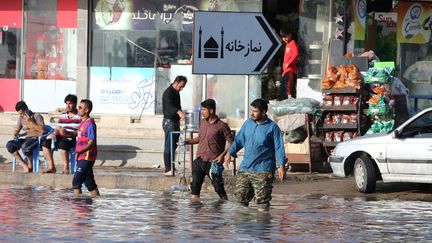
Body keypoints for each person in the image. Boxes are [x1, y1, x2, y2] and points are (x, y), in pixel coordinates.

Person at [225, 98, 287, 212]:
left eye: (255, 111)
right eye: (251, 110)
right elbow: (239, 140)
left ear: (263, 112)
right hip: (245, 168)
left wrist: (281, 166)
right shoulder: (248, 123)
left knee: (262, 203)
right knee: (240, 201)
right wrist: (230, 152)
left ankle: (263, 228)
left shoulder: (272, 128)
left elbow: (279, 148)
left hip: (263, 170)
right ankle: (244, 228)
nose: (252, 113)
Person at [185, 99, 233, 201]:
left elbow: (231, 142)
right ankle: (195, 212)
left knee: (218, 188)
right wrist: (188, 141)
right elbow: (200, 138)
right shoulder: (202, 123)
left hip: (213, 162)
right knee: (195, 187)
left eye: (203, 110)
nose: (201, 112)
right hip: (199, 159)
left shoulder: (222, 126)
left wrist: (223, 155)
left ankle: (224, 207)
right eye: (201, 109)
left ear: (211, 111)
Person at [42, 94, 81, 174]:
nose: (68, 106)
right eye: (66, 103)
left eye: (70, 103)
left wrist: (68, 133)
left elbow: (80, 132)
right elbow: (58, 128)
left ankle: (66, 167)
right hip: (60, 136)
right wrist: (54, 134)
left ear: (75, 104)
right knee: (45, 143)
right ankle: (51, 167)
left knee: (63, 143)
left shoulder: (79, 116)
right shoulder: (63, 115)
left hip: (71, 138)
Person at [6, 101, 46, 172]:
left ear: (26, 109)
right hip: (27, 138)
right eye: (19, 114)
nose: (21, 115)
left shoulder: (37, 116)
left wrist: (31, 122)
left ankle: (30, 165)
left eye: (21, 113)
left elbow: (42, 130)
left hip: (36, 138)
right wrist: (16, 133)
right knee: (10, 145)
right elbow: (17, 129)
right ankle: (24, 165)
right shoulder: (21, 118)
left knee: (25, 146)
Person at [72, 99, 100, 196]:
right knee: (90, 184)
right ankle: (95, 203)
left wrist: (81, 151)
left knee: (76, 182)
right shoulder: (82, 123)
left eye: (80, 107)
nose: (78, 109)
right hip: (81, 156)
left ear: (86, 110)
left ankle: (77, 207)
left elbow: (92, 142)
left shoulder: (90, 124)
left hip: (87, 157)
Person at [162, 75, 187, 176]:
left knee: (173, 145)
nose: (181, 89)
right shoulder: (168, 93)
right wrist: (179, 112)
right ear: (176, 82)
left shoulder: (176, 93)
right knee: (169, 145)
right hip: (169, 122)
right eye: (180, 86)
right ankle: (168, 168)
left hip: (175, 121)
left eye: (182, 87)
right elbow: (170, 106)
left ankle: (172, 166)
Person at [279, 29, 298, 99]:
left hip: (290, 69)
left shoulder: (292, 43)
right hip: (285, 70)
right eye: (283, 37)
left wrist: (288, 63)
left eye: (286, 36)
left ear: (290, 35)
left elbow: (296, 53)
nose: (284, 39)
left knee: (288, 86)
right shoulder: (287, 44)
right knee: (283, 87)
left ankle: (289, 98)